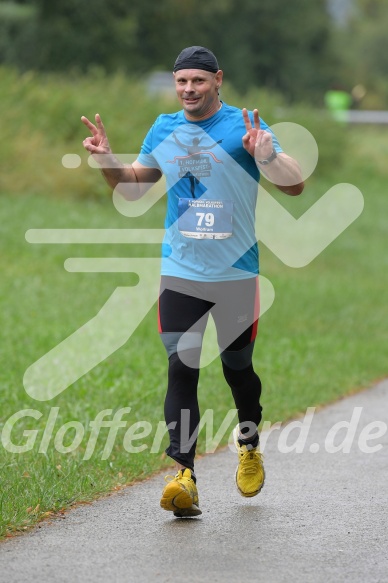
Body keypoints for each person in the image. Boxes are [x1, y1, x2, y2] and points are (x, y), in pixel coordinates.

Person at [81, 46, 304, 518]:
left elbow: (295, 183)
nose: (188, 90)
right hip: (181, 272)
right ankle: (183, 473)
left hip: (237, 275)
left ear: (217, 80)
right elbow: (133, 185)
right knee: (181, 367)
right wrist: (106, 161)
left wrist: (267, 157)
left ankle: (248, 443)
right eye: (181, 81)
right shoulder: (164, 128)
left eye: (198, 81)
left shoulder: (246, 127)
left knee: (237, 369)